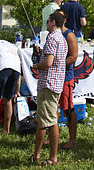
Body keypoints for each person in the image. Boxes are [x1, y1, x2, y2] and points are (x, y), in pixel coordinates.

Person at [31, 12, 68, 166]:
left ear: (53, 22)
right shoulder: (62, 38)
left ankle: (53, 157)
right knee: (45, 119)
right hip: (56, 83)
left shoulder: (52, 38)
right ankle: (37, 154)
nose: (46, 23)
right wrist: (42, 55)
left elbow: (49, 63)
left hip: (48, 84)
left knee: (49, 121)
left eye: (48, 21)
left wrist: (36, 65)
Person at [56, 8, 80, 150]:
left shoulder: (69, 35)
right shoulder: (53, 34)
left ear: (65, 20)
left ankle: (72, 139)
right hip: (54, 78)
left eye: (60, 17)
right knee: (53, 108)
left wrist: (56, 64)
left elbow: (73, 57)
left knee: (68, 109)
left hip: (66, 78)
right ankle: (53, 135)